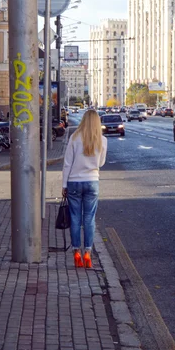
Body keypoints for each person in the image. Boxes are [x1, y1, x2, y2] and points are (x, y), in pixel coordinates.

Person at [62, 109, 107, 268]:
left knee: (75, 218)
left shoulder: (74, 138)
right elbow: (100, 163)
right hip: (92, 181)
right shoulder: (102, 140)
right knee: (89, 218)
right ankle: (88, 252)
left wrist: (64, 185)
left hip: (74, 182)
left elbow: (67, 163)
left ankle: (76, 252)